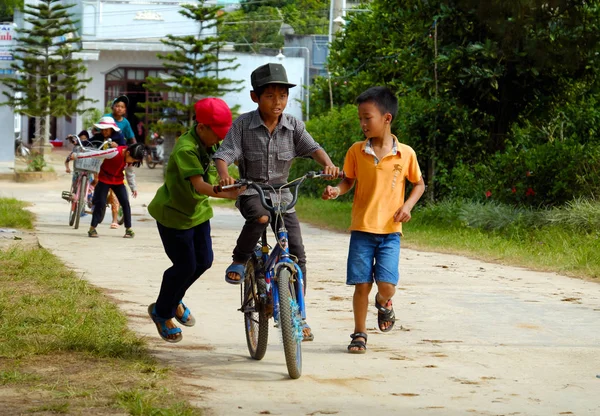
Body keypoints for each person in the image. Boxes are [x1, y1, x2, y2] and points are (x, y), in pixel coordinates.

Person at [213, 63, 340, 342]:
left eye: (282, 95)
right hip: (253, 191)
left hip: (283, 195)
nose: (277, 102)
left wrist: (328, 164)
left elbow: (314, 148)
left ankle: (298, 315)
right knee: (259, 218)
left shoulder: (293, 125)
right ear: (255, 97)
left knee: (297, 253)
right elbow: (224, 154)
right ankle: (239, 259)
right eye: (270, 96)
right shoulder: (243, 125)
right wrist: (224, 175)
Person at [321, 86, 425, 354]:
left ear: (386, 118)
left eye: (368, 117)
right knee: (361, 284)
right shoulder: (356, 151)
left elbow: (419, 185)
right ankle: (359, 333)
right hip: (362, 230)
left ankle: (384, 302)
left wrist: (408, 206)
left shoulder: (406, 153)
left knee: (387, 285)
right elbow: (348, 181)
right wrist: (336, 191)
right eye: (360, 118)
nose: (363, 123)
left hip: (391, 231)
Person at [146, 98, 240, 343]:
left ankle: (173, 299)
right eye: (216, 134)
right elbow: (199, 185)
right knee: (184, 266)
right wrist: (228, 193)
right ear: (202, 128)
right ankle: (161, 312)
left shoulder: (208, 143)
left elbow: (227, 159)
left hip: (197, 213)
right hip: (174, 216)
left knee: (205, 261)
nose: (219, 139)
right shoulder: (186, 148)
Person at [70, 142, 146, 238]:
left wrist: (133, 187)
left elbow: (130, 173)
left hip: (118, 181)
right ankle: (92, 228)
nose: (132, 162)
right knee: (100, 203)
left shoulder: (130, 160)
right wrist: (77, 156)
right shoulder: (113, 152)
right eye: (133, 159)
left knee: (125, 203)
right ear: (128, 153)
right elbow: (95, 154)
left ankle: (128, 229)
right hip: (104, 180)